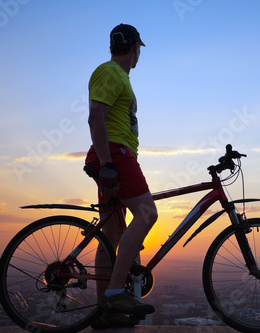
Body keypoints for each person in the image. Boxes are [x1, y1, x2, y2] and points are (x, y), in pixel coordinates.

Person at [84, 23, 158, 329]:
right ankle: (115, 293)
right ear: (136, 47)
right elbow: (95, 116)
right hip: (116, 155)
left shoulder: (116, 76)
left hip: (113, 157)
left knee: (111, 234)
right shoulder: (111, 72)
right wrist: (108, 164)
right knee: (147, 213)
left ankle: (107, 312)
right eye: (139, 48)